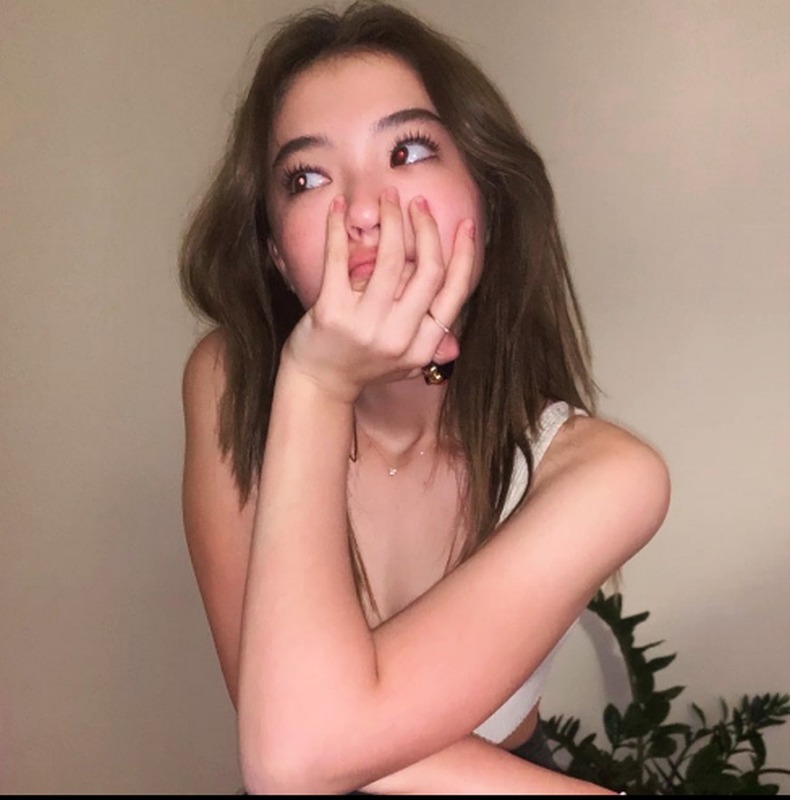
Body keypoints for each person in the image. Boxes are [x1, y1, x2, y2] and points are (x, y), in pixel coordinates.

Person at [179, 1, 670, 793]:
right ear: (276, 251)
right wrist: (317, 384)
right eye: (306, 178)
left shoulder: (606, 474)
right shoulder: (228, 380)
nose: (364, 210)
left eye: (407, 151)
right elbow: (292, 751)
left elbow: (301, 745)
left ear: (488, 201)